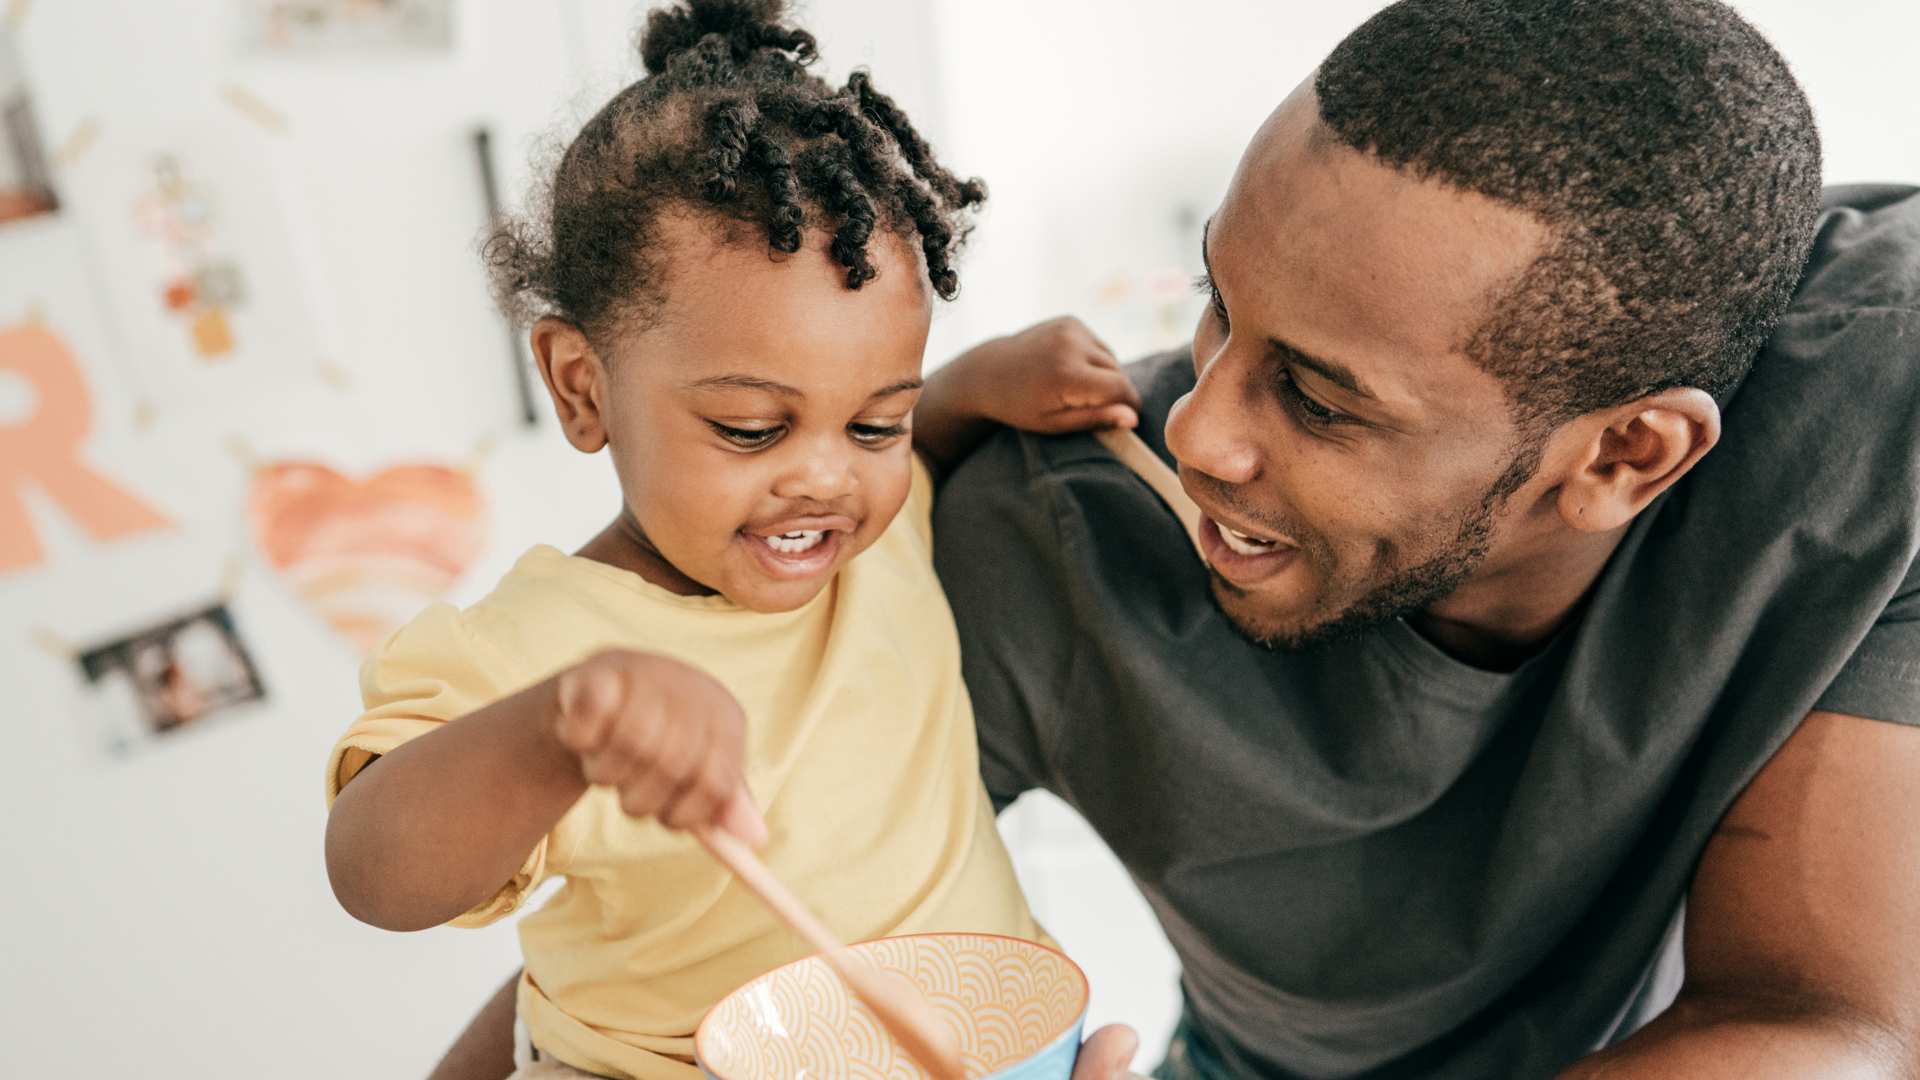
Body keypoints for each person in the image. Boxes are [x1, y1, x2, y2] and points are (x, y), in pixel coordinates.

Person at [439, 0, 1920, 1076]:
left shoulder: (1878, 418)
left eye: (1321, 397)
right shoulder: (1053, 537)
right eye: (1217, 304)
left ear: (1625, 456)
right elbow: (653, 941)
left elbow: (1824, 1023)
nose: (1197, 428)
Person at [320, 3, 1143, 1078]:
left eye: (874, 423)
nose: (825, 477)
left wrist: (975, 382)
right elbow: (373, 873)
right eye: (750, 429)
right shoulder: (536, 653)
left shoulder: (877, 536)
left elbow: (905, 437)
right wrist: (558, 732)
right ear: (584, 386)